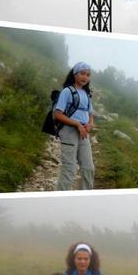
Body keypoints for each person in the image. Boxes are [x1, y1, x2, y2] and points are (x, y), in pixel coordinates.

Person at [54, 62, 95, 191]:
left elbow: (90, 113)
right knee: (69, 168)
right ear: (75, 74)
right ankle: (59, 199)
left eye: (88, 75)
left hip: (83, 133)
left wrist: (90, 124)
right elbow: (58, 114)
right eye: (82, 73)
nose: (85, 77)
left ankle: (84, 198)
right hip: (69, 131)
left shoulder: (87, 94)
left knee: (88, 168)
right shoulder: (67, 91)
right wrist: (77, 124)